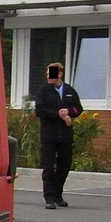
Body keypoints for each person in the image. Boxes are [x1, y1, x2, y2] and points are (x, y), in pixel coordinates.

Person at [32, 62, 83, 210]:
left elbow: (78, 108)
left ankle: (58, 194)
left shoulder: (70, 91)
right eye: (47, 74)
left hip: (65, 136)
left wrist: (69, 111)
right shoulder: (43, 91)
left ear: (60, 74)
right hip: (49, 135)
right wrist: (58, 114)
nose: (48, 76)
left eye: (51, 73)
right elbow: (39, 110)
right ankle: (49, 197)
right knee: (48, 166)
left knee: (64, 165)